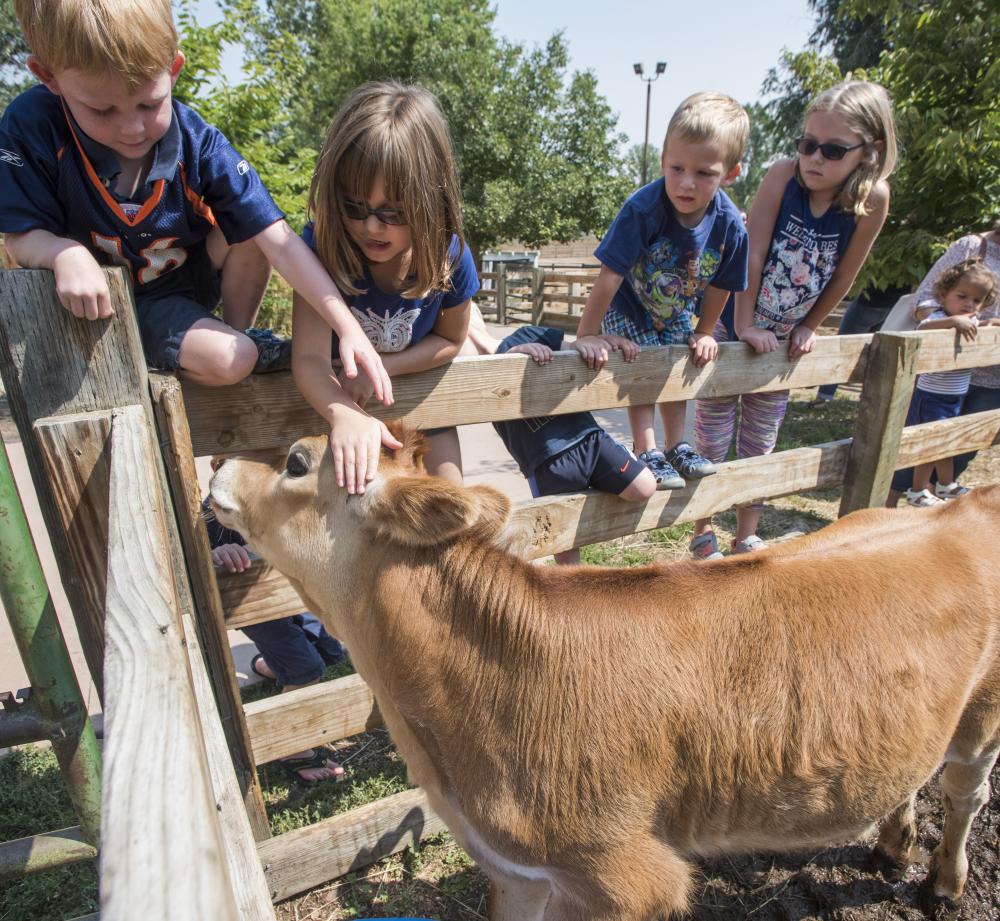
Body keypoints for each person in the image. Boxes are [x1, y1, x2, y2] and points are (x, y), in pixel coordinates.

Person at [0, 0, 390, 400]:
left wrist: (347, 328)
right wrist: (63, 253)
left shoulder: (198, 143)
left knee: (251, 234)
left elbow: (280, 241)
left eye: (149, 104)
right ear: (49, 78)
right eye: (102, 110)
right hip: (87, 317)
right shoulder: (31, 124)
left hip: (171, 296)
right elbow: (18, 237)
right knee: (231, 359)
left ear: (173, 70)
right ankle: (186, 361)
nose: (132, 128)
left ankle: (237, 338)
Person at [690, 80, 897, 559]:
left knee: (760, 437)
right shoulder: (782, 176)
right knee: (712, 433)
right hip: (733, 322)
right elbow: (752, 251)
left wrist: (810, 325)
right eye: (807, 144)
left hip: (782, 338)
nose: (814, 158)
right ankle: (702, 529)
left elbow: (845, 273)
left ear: (870, 151)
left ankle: (746, 533)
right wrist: (743, 326)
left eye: (832, 149)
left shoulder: (872, 199)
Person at [292, 81, 478, 495]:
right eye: (355, 207)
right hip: (335, 408)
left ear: (430, 203)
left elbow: (451, 339)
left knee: (452, 506)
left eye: (393, 212)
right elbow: (308, 358)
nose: (371, 227)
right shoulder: (319, 251)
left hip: (425, 410)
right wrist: (344, 413)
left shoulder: (450, 256)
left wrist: (382, 367)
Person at [569, 92, 750, 490]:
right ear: (663, 158)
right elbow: (610, 276)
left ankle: (677, 445)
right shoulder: (643, 209)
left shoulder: (730, 225)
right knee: (644, 356)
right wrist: (588, 333)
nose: (687, 183)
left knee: (679, 360)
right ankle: (646, 446)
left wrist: (704, 330)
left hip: (676, 310)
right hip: (629, 305)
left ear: (731, 174)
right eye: (676, 168)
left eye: (704, 173)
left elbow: (722, 284)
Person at [465, 314, 657, 564]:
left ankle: (619, 465)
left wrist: (602, 342)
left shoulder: (526, 335)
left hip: (586, 437)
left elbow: (576, 348)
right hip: (544, 464)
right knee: (566, 557)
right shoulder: (473, 382)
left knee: (644, 487)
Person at [205, 493, 347, 784]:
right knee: (305, 668)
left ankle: (269, 665)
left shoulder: (284, 489)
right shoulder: (214, 518)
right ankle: (291, 748)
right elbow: (186, 551)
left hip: (286, 585)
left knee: (330, 650)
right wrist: (212, 554)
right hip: (250, 596)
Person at [886, 223, 1000, 506]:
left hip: (987, 378)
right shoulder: (972, 248)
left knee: (958, 444)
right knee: (923, 442)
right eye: (963, 296)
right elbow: (924, 302)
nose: (969, 303)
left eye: (976, 300)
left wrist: (985, 324)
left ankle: (935, 502)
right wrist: (951, 322)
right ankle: (889, 505)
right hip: (943, 374)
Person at [807, 281, 911, 406]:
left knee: (842, 350)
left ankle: (823, 396)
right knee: (876, 354)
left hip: (868, 302)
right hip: (892, 306)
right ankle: (867, 399)